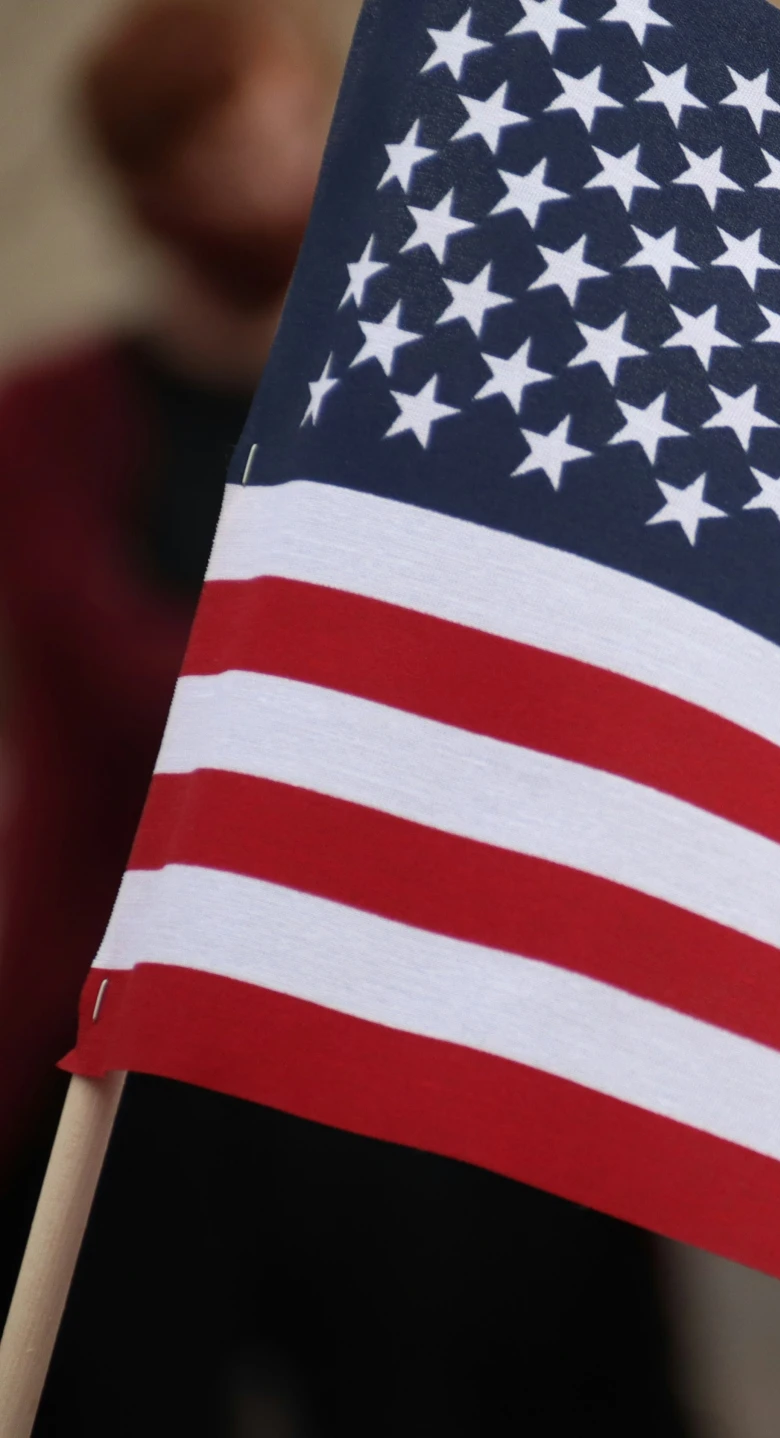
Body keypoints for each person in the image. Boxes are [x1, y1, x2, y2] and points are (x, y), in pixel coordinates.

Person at [0, 5, 693, 1432]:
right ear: (146, 185)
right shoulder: (53, 422)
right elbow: (130, 686)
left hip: (399, 1036)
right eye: (218, 145)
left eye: (289, 124)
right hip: (139, 1047)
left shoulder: (451, 418)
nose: (268, 172)